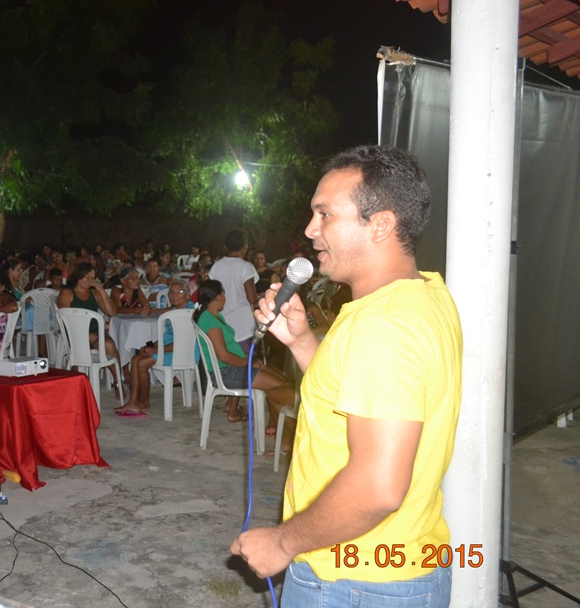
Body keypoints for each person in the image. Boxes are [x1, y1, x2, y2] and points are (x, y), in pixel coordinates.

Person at [232, 145, 463, 607]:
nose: (309, 230)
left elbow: (378, 487)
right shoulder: (426, 296)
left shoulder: (383, 325)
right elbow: (355, 399)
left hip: (355, 580)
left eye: (324, 215)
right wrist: (300, 342)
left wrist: (281, 543)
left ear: (381, 224)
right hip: (400, 561)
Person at [194, 279, 295, 432]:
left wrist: (249, 361)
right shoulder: (210, 321)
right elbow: (224, 356)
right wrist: (247, 363)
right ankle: (284, 431)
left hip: (231, 368)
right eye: (224, 293)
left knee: (281, 378)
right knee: (280, 387)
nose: (225, 297)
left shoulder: (213, 316)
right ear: (218, 297)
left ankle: (273, 424)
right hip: (226, 372)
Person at [115, 281, 196, 418]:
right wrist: (152, 346)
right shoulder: (177, 310)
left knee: (142, 363)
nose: (175, 296)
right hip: (170, 349)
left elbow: (183, 343)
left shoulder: (187, 313)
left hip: (182, 352)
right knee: (135, 359)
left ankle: (144, 402)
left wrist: (156, 351)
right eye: (172, 292)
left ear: (188, 295)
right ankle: (133, 401)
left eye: (179, 292)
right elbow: (168, 337)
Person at [57, 263, 120, 383]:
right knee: (80, 350)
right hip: (74, 331)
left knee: (109, 345)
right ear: (78, 277)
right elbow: (66, 318)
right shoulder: (67, 293)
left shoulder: (94, 293)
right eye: (87, 278)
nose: (90, 281)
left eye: (92, 278)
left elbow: (112, 312)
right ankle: (77, 384)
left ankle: (117, 382)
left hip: (95, 331)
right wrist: (84, 334)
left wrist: (101, 290)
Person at [208, 229, 258, 357]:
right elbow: (252, 298)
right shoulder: (246, 267)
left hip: (222, 322)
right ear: (244, 246)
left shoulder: (216, 266)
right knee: (247, 361)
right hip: (243, 325)